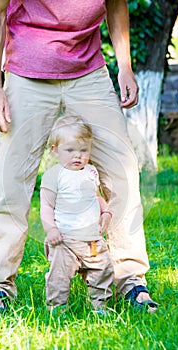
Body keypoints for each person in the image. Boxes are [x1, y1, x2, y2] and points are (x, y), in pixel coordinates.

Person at [0, 0, 158, 313]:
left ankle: (131, 280)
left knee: (122, 171)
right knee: (10, 183)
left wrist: (126, 68)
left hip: (88, 73)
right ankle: (0, 287)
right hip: (27, 75)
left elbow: (116, 6)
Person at [40, 115, 114, 314]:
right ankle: (57, 308)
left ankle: (100, 306)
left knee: (102, 270)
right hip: (64, 240)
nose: (78, 156)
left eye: (83, 150)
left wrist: (105, 211)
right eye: (70, 150)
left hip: (92, 239)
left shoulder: (91, 171)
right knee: (59, 277)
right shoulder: (54, 175)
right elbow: (46, 206)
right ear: (55, 150)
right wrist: (51, 229)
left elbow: (96, 196)